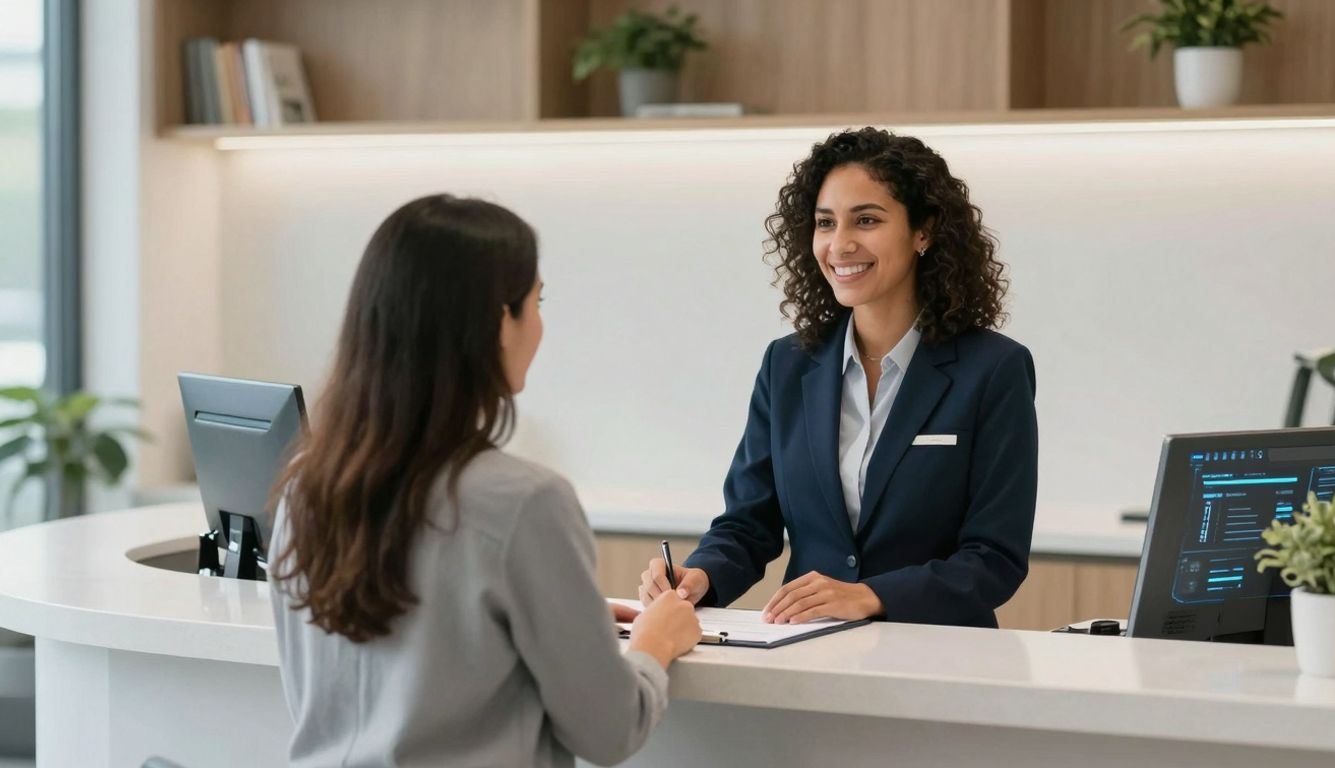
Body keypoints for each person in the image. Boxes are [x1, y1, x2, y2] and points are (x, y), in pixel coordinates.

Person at [270, 194, 701, 767]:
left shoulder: (306, 491)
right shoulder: (526, 502)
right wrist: (657, 640)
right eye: (536, 302)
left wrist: (565, 619)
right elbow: (610, 732)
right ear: (501, 322)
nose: (540, 325)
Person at [640, 127, 1038, 628]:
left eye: (866, 220)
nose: (840, 244)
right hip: (807, 654)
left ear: (924, 231)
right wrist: (700, 576)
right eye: (825, 223)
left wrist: (871, 595)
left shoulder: (993, 369)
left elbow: (994, 559)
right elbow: (748, 525)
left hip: (938, 657)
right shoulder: (786, 365)